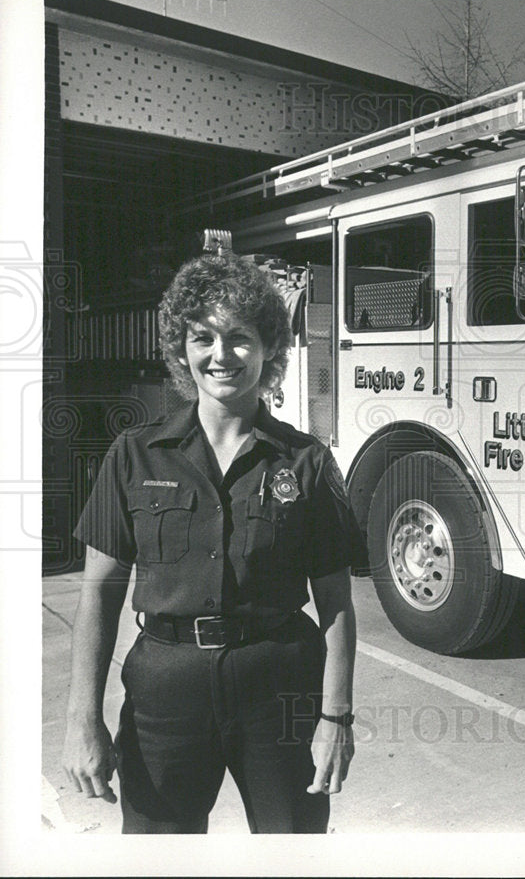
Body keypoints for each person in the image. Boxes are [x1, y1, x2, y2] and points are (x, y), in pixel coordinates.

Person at [61, 252, 367, 833]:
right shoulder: (134, 453)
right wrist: (82, 718)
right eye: (202, 337)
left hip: (278, 690)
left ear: (270, 349)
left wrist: (336, 719)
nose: (220, 355)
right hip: (165, 693)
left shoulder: (307, 461)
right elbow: (98, 594)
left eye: (239, 338)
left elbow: (335, 602)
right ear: (181, 349)